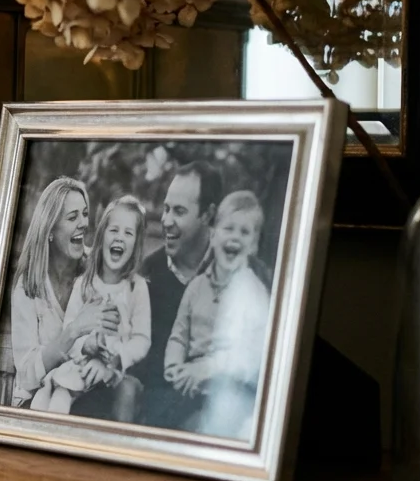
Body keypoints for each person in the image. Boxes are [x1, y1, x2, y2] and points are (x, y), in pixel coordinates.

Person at [161, 190, 272, 439]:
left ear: (253, 245)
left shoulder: (253, 294)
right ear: (213, 235)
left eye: (244, 232)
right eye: (229, 228)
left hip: (228, 390)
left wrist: (206, 370)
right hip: (188, 384)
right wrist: (175, 367)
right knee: (161, 418)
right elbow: (179, 334)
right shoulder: (196, 286)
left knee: (200, 430)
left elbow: (250, 357)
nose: (235, 237)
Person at [0, 177, 120, 408]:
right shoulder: (28, 287)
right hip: (35, 398)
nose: (84, 223)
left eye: (85, 214)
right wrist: (73, 331)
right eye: (72, 217)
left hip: (88, 387)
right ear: (50, 231)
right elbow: (26, 376)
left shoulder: (97, 270)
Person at [31, 196, 151, 422]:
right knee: (59, 395)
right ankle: (47, 437)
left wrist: (117, 357)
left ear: (136, 244)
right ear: (102, 235)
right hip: (80, 364)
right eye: (113, 230)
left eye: (128, 233)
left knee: (117, 394)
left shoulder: (136, 287)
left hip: (114, 368)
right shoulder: (84, 284)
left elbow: (142, 340)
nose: (119, 238)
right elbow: (70, 329)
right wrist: (86, 345)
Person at [135, 162, 222, 426]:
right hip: (163, 418)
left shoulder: (233, 270)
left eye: (179, 212)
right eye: (166, 209)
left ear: (208, 215)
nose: (166, 221)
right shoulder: (147, 276)